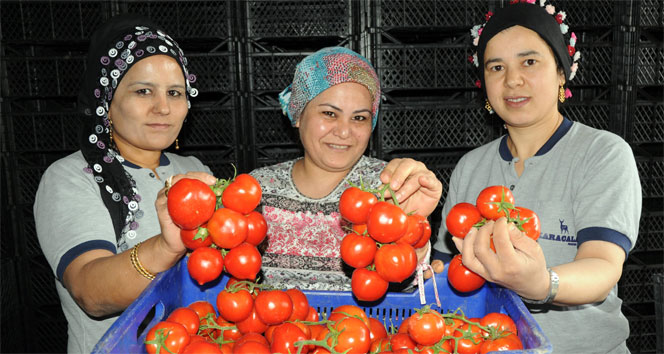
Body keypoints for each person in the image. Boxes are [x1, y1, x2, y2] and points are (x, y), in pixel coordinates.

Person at [432, 2, 641, 353]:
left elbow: (603, 265)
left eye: (529, 62)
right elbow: (450, 271)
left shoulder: (602, 153)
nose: (512, 79)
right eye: (496, 67)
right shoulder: (471, 166)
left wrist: (544, 283)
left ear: (561, 72)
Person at [34, 14, 215, 353]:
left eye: (174, 93)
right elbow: (90, 291)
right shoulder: (71, 178)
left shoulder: (193, 168)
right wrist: (166, 247)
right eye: (143, 91)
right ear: (107, 104)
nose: (163, 107)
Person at [250, 47, 443, 291]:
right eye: (329, 113)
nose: (343, 132)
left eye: (359, 118)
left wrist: (415, 236)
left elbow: (405, 287)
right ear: (298, 115)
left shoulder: (391, 187)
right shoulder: (257, 189)